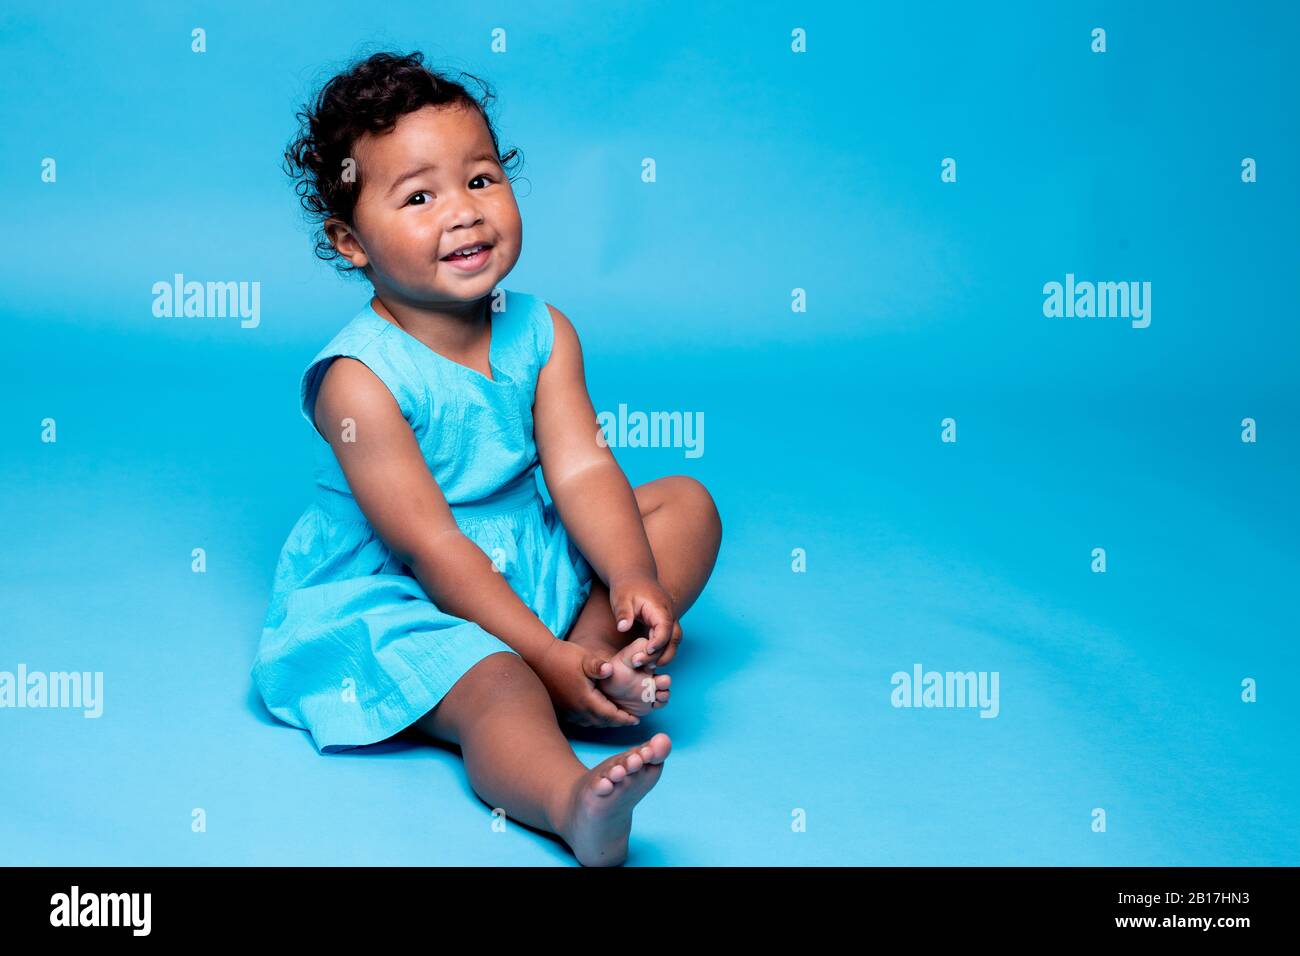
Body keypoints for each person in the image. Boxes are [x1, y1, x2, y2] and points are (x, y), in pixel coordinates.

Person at [251, 51, 722, 866]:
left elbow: (578, 471)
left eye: (480, 180)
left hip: (526, 553)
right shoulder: (358, 382)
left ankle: (596, 665)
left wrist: (633, 575)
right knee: (498, 685)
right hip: (411, 592)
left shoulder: (542, 329)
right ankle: (570, 799)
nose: (464, 213)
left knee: (685, 506)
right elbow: (430, 545)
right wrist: (536, 653)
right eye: (419, 196)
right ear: (351, 242)